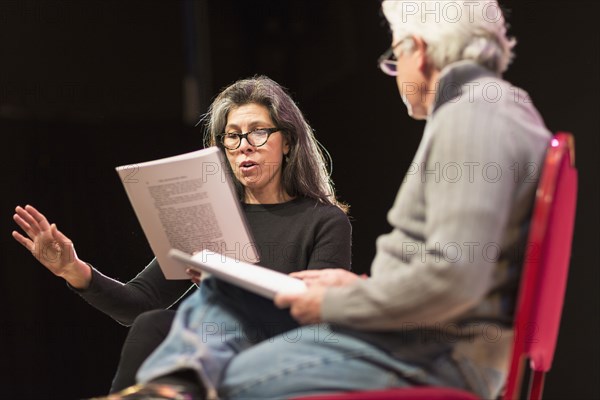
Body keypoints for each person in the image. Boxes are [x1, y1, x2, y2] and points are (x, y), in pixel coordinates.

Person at [101, 1, 552, 399]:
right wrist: (357, 289)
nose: (396, 72)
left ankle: (166, 389)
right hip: (414, 343)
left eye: (395, 57)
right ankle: (167, 387)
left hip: (426, 355)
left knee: (222, 374)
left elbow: (452, 281)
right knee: (220, 299)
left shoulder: (471, 119)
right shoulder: (498, 111)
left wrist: (331, 304)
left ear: (421, 50)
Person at [11, 76, 352, 395]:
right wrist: (73, 269)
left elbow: (319, 321)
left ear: (288, 142)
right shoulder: (211, 216)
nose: (244, 146)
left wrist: (229, 289)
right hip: (212, 350)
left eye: (258, 132)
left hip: (281, 355)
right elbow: (138, 303)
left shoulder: (324, 221)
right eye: (232, 136)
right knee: (152, 325)